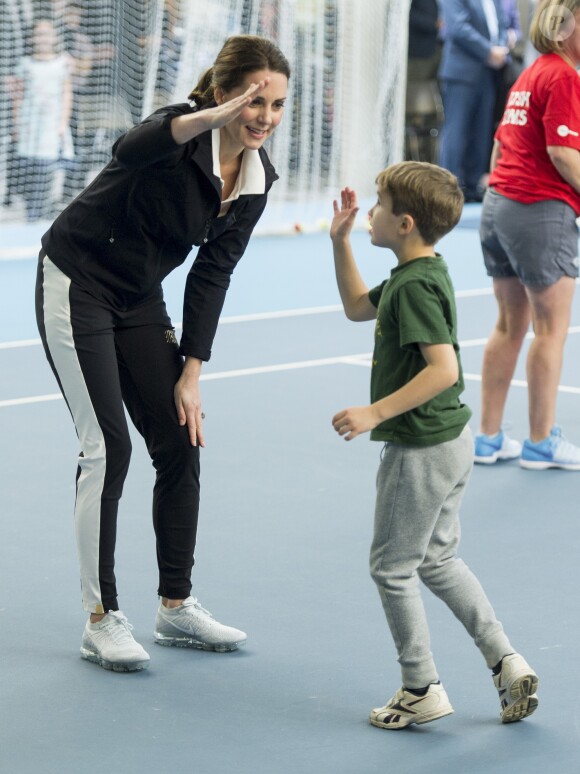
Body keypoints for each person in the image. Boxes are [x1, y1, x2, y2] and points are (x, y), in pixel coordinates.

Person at [35, 35, 290, 672]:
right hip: (79, 280)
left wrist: (192, 371)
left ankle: (175, 605)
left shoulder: (256, 180)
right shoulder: (173, 131)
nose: (265, 116)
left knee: (180, 440)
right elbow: (130, 148)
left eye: (278, 104)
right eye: (256, 100)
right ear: (226, 92)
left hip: (139, 299)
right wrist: (213, 116)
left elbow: (212, 275)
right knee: (108, 447)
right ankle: (101, 618)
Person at [329, 161, 538, 728]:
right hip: (452, 442)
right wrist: (340, 240)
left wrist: (374, 412)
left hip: (420, 449)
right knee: (438, 559)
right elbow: (354, 308)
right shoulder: (417, 273)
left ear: (405, 222)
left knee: (392, 568)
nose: (369, 213)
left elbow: (442, 369)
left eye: (377, 207)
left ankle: (420, 687)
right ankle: (506, 660)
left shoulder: (415, 286)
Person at [475, 0, 580, 470]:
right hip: (538, 211)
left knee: (508, 325)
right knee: (550, 331)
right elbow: (562, 153)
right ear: (564, 29)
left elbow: (501, 146)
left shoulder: (531, 73)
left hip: (499, 208)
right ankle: (540, 441)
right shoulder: (563, 76)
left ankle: (489, 437)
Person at [438, 0, 510, 202]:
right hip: (461, 72)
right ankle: (447, 190)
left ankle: (471, 186)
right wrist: (488, 51)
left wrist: (501, 47)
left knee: (481, 132)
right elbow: (457, 28)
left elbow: (502, 25)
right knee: (456, 131)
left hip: (488, 73)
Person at [9, 19, 73, 221]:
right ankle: (32, 214)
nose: (43, 38)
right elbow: (18, 96)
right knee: (29, 170)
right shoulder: (25, 64)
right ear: (32, 37)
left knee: (47, 171)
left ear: (54, 37)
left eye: (47, 34)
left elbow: (66, 93)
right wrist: (16, 122)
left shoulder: (62, 63)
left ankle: (41, 213)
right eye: (39, 34)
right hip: (30, 124)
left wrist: (63, 122)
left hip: (51, 125)